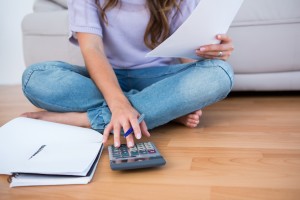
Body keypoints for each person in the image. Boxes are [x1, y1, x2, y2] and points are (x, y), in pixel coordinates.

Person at [21, 0, 234, 148]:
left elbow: (188, 58)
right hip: (106, 80)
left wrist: (209, 53)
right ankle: (161, 111)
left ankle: (87, 119)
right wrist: (118, 103)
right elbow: (91, 49)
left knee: (220, 73)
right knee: (35, 77)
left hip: (159, 80)